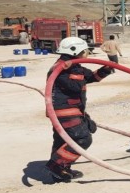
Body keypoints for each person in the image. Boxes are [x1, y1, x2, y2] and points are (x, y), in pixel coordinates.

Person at [45, 36, 113, 182]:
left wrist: (108, 68)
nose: (87, 53)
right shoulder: (61, 68)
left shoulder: (74, 67)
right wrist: (76, 70)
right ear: (75, 51)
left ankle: (61, 170)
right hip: (64, 111)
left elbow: (92, 76)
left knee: (62, 141)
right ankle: (57, 165)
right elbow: (75, 86)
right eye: (85, 51)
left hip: (70, 110)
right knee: (83, 138)